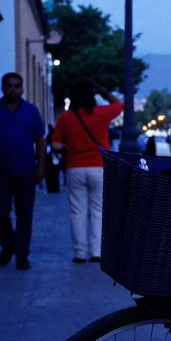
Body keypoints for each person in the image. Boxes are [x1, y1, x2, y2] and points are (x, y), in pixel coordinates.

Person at [0, 72, 47, 270]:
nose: (13, 89)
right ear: (2, 88)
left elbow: (40, 139)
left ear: (22, 88)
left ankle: (22, 254)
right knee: (1, 210)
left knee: (24, 214)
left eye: (16, 86)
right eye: (9, 86)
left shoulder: (31, 111)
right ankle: (8, 244)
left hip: (25, 171)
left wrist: (41, 165)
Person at [51, 80, 123, 263]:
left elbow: (56, 145)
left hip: (74, 167)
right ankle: (97, 252)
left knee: (77, 210)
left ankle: (79, 253)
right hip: (99, 167)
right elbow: (119, 105)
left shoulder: (65, 118)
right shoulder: (101, 114)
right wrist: (104, 91)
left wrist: (72, 146)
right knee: (98, 209)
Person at [44, 124, 62, 194]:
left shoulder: (48, 137)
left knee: (49, 174)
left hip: (49, 157)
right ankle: (55, 187)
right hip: (54, 157)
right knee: (55, 174)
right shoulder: (54, 136)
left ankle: (50, 188)